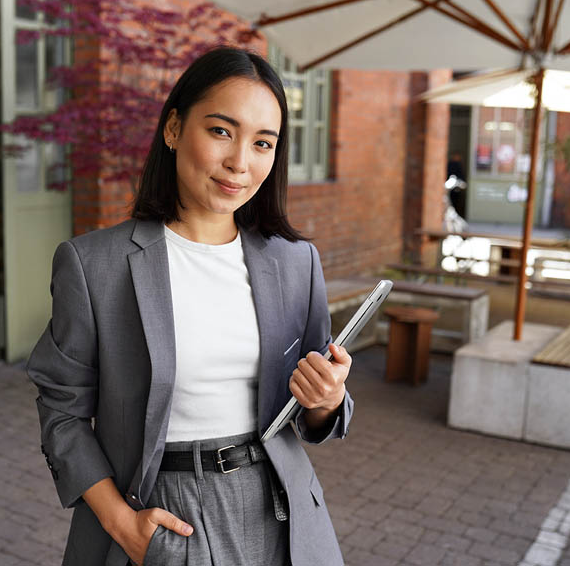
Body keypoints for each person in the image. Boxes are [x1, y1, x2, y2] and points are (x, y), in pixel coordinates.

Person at [26, 46, 355, 566]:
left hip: (282, 509)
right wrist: (123, 525)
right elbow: (62, 412)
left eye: (262, 142)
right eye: (221, 131)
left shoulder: (295, 263)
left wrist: (326, 399)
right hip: (159, 509)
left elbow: (315, 412)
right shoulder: (94, 265)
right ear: (174, 129)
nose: (239, 163)